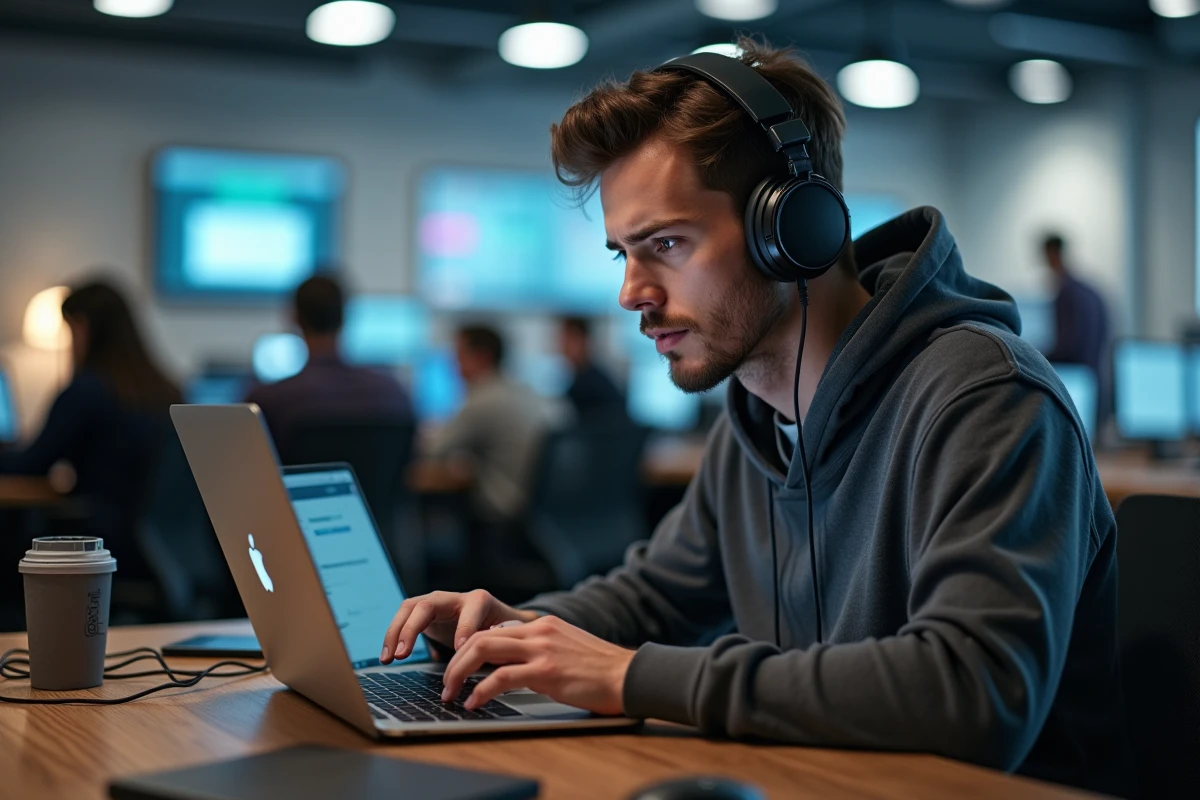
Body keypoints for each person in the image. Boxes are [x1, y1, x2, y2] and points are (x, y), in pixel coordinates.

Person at [380, 40, 1134, 798]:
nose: (632, 293)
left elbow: (970, 694)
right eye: (623, 255)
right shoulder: (759, 412)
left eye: (666, 244)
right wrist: (516, 633)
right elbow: (655, 598)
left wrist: (633, 676)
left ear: (793, 231)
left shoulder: (984, 398)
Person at [0, 279, 181, 568]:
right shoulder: (170, 391)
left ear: (82, 327)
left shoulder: (86, 391)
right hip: (162, 549)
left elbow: (33, 463)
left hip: (99, 545)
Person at [245, 275, 413, 458]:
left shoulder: (266, 403)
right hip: (371, 489)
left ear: (295, 318)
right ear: (345, 317)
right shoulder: (393, 394)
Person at [425, 325, 564, 526]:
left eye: (459, 356)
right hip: (547, 515)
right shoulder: (526, 391)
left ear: (481, 357)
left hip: (507, 515)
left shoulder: (483, 399)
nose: (454, 365)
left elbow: (432, 449)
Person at [1041, 233, 1109, 380]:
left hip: (1075, 379)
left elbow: (1066, 347)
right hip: (1094, 375)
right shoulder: (1090, 291)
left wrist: (1034, 356)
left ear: (1051, 255)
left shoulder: (1067, 293)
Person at [558, 316, 625, 419]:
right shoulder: (580, 377)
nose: (563, 346)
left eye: (569, 339)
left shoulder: (592, 381)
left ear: (584, 340)